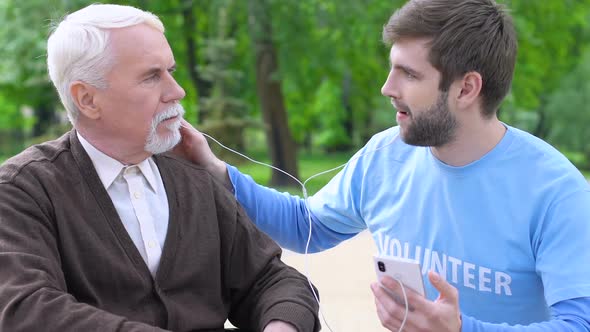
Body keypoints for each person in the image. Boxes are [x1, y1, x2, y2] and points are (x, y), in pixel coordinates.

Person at [174, 0, 590, 331]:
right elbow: (308, 227)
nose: (387, 88)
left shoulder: (556, 192)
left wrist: (462, 329)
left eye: (408, 74)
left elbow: (579, 323)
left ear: (467, 87)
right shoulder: (385, 154)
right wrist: (217, 172)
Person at [0, 4, 320, 332]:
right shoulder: (20, 190)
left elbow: (271, 279)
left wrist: (283, 325)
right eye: (152, 76)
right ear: (87, 99)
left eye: (171, 71)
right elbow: (27, 311)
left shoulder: (195, 177)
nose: (176, 91)